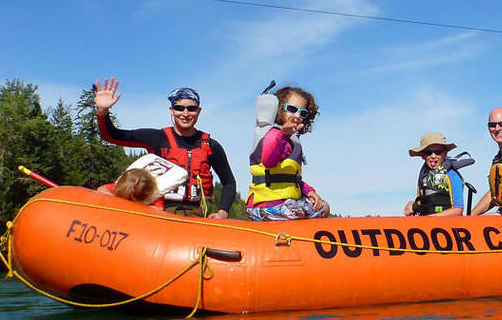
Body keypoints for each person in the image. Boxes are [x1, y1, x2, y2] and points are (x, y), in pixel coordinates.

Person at [94, 78, 236, 218]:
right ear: (172, 110)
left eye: (191, 109)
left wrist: (222, 212)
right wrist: (102, 112)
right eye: (179, 108)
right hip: (158, 211)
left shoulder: (211, 145)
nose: (185, 114)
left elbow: (228, 182)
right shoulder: (156, 138)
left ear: (198, 111)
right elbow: (112, 136)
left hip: (195, 214)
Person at [247, 85, 330, 221]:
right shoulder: (272, 135)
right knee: (295, 211)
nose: (297, 116)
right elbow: (268, 161)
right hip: (264, 205)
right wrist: (283, 135)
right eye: (292, 109)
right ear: (279, 109)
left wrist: (309, 191)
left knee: (324, 207)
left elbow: (292, 178)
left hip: (288, 204)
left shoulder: (293, 141)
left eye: (302, 113)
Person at [404, 133, 466, 217]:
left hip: (447, 226)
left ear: (445, 153)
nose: (433, 156)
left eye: (437, 152)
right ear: (422, 155)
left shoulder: (452, 175)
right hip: (425, 225)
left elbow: (458, 210)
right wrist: (412, 205)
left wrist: (429, 219)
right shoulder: (424, 176)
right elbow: (422, 202)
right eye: (428, 153)